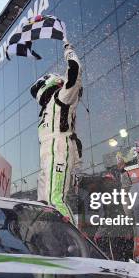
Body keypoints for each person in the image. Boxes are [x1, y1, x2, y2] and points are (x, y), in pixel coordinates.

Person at [30, 41, 82, 222]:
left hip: (59, 150)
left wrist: (69, 51)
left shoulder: (61, 97)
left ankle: (77, 247)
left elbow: (75, 73)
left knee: (55, 199)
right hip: (48, 156)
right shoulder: (45, 111)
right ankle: (48, 245)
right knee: (44, 205)